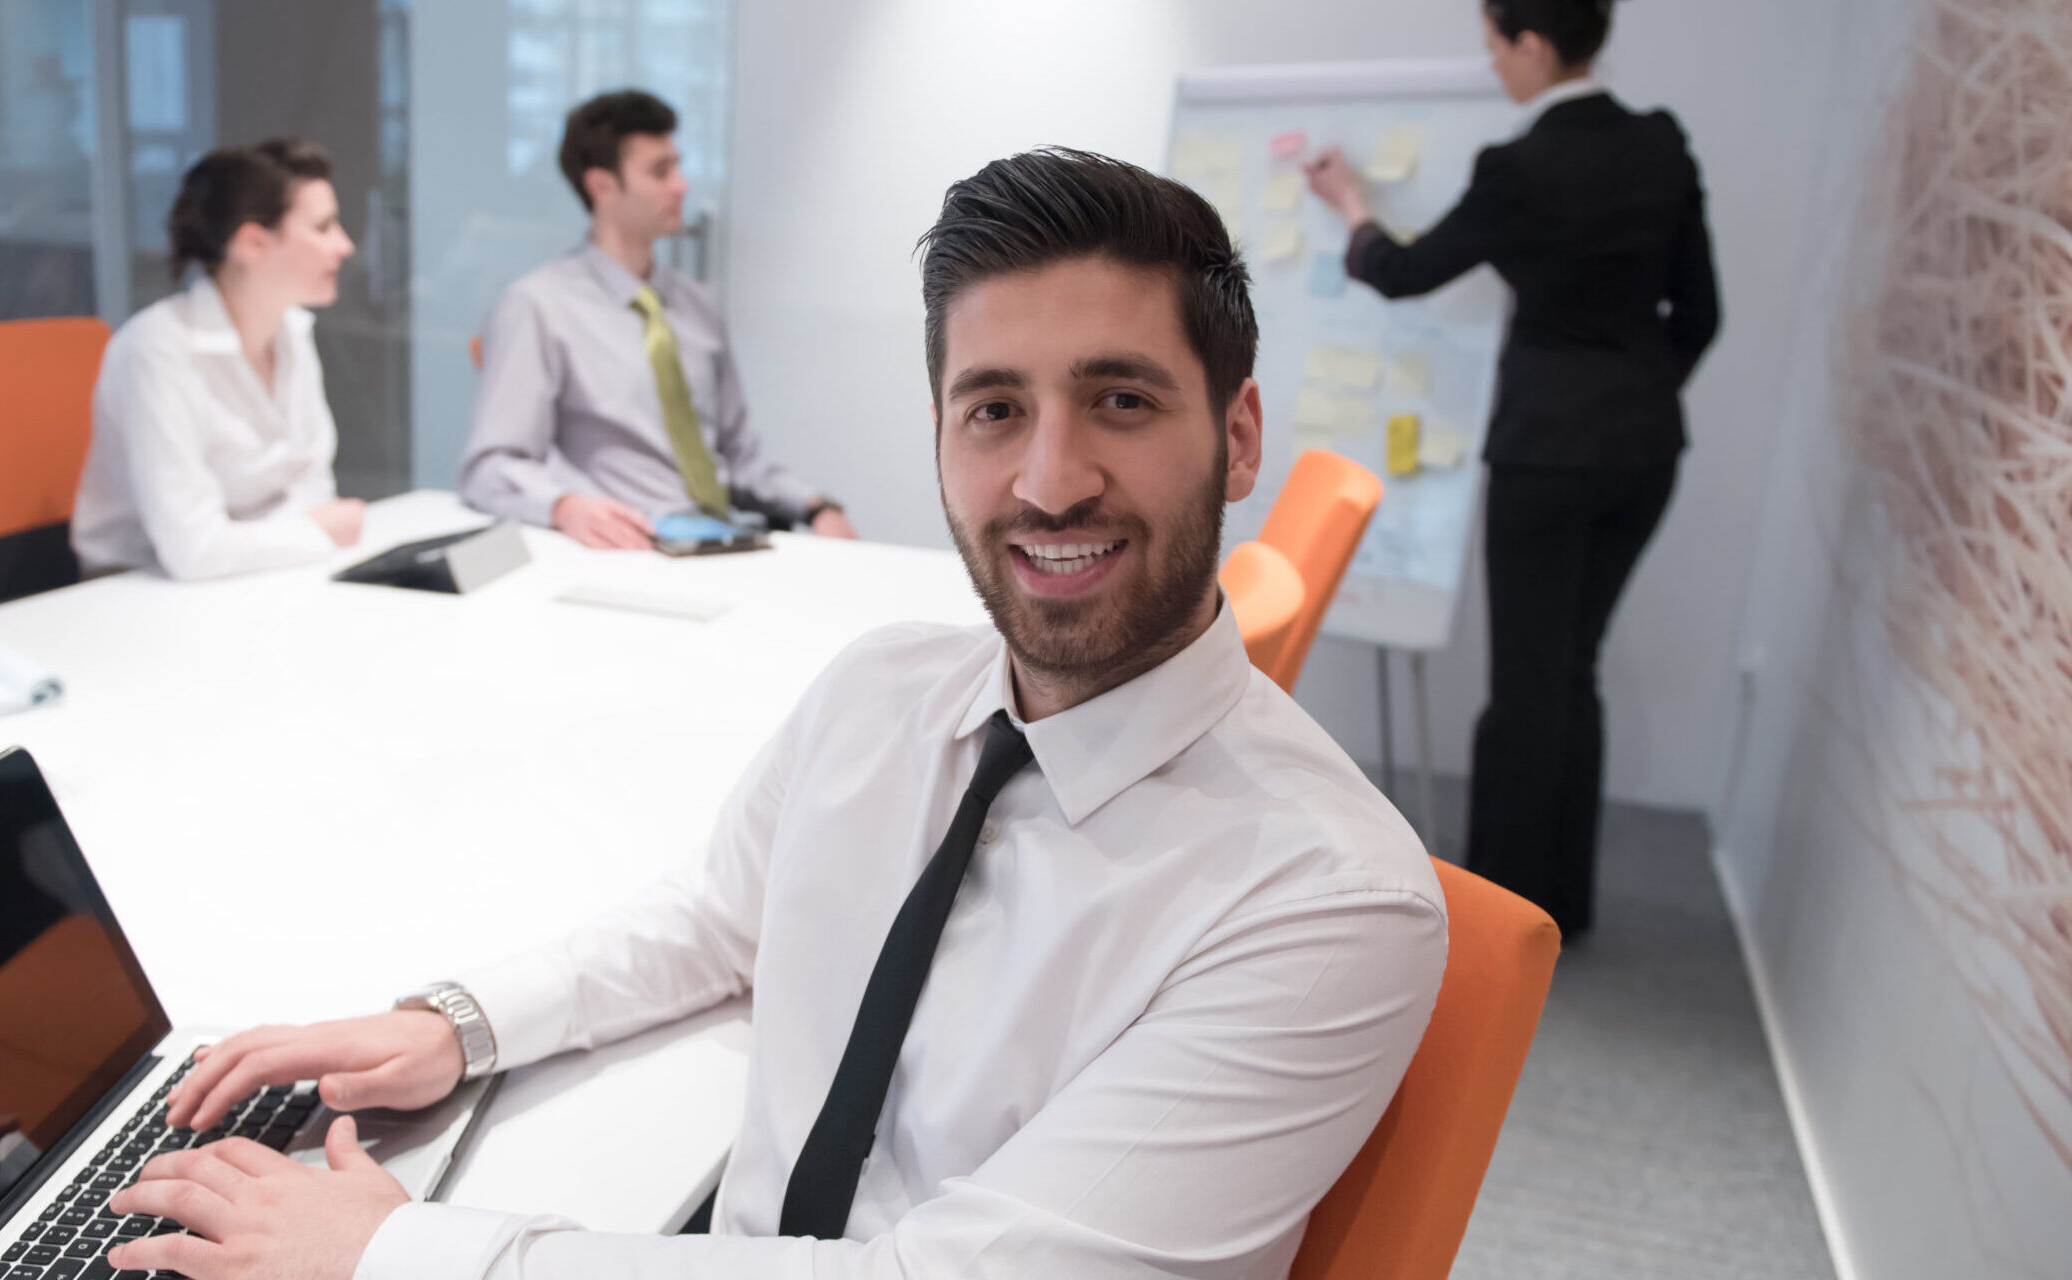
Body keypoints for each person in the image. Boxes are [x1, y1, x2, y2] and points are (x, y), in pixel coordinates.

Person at [98, 148, 1447, 1280]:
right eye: (993, 409)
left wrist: (408, 1256)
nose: (1048, 480)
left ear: (1242, 433)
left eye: (1120, 399)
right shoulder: (885, 692)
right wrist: (456, 1024)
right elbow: (720, 914)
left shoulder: (1323, 897)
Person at [1304, 0, 1720, 938]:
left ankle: (1500, 920)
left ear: (1532, 44)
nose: (1490, 65)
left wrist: (1353, 207)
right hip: (1646, 451)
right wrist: (1635, 392)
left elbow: (1405, 272)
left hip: (1545, 453)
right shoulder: (1661, 145)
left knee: (1526, 686)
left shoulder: (1522, 168)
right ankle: (1562, 906)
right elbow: (1701, 316)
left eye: (1494, 45)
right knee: (1574, 670)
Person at [458, 90, 857, 549]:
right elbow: (489, 467)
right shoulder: (537, 306)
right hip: (627, 547)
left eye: (678, 166)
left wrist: (817, 506)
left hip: (725, 540)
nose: (681, 185)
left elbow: (739, 460)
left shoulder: (696, 307)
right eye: (660, 171)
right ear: (601, 186)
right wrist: (565, 506)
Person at [74, 139, 366, 581]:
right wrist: (313, 532)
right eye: (323, 228)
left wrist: (277, 538)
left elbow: (313, 491)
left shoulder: (293, 332)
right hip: (135, 591)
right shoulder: (158, 349)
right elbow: (193, 550)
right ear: (253, 242)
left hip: (251, 578)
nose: (344, 245)